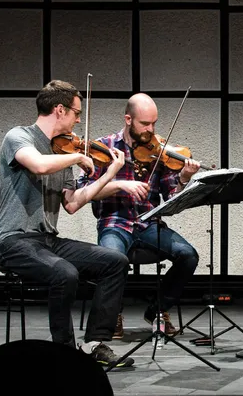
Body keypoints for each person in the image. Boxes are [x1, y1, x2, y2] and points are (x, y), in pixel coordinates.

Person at [0, 80, 134, 367]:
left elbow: (72, 203)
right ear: (59, 110)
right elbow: (38, 165)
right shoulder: (19, 137)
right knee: (65, 274)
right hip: (12, 240)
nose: (79, 120)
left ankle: (93, 342)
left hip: (46, 240)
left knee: (115, 261)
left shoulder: (63, 151)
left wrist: (110, 175)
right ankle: (65, 354)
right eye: (76, 113)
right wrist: (78, 156)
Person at [81, 93, 200, 338]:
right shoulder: (103, 148)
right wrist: (121, 184)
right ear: (128, 119)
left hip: (148, 224)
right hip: (114, 222)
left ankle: (157, 310)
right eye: (145, 124)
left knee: (188, 255)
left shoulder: (159, 150)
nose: (151, 130)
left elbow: (170, 197)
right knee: (113, 259)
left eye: (154, 123)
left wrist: (184, 178)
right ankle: (113, 313)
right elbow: (86, 192)